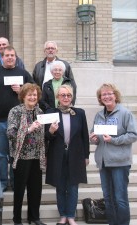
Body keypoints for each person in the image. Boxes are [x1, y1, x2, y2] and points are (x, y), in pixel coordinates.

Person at [0, 45, 34, 192]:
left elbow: (33, 93)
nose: (10, 58)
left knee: (17, 154)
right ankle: (2, 183)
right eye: (7, 55)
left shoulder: (23, 73)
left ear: (16, 58)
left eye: (12, 55)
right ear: (2, 57)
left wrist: (22, 89)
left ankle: (16, 182)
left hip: (20, 122)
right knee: (0, 154)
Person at [89, 83, 137, 225]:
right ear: (100, 98)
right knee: (108, 197)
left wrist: (114, 140)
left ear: (115, 96)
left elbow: (134, 135)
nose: (107, 96)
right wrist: (93, 138)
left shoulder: (125, 113)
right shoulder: (99, 115)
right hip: (104, 162)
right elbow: (96, 137)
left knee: (120, 198)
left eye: (109, 93)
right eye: (103, 94)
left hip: (120, 163)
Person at [45, 84, 89, 225]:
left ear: (72, 97)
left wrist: (86, 155)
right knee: (60, 186)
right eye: (63, 95)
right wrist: (51, 131)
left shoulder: (79, 113)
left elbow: (84, 136)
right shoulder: (50, 112)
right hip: (57, 154)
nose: (66, 98)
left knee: (73, 186)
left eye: (68, 95)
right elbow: (45, 137)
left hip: (75, 154)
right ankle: (62, 215)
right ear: (58, 97)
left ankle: (71, 215)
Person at [7, 83, 46, 225]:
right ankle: (17, 219)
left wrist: (52, 130)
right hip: (21, 156)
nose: (32, 97)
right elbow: (10, 133)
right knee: (19, 190)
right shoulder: (16, 111)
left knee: (36, 189)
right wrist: (28, 129)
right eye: (29, 94)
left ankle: (34, 217)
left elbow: (44, 134)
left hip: (37, 155)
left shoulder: (40, 112)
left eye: (35, 95)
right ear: (23, 96)